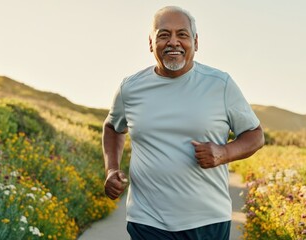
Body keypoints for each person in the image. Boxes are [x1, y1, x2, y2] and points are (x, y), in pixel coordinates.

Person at [102, 6, 264, 240]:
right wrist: (111, 169)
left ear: (196, 42)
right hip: (147, 220)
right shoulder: (130, 88)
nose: (173, 42)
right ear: (151, 43)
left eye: (182, 34)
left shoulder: (220, 84)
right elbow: (112, 127)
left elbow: (255, 135)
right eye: (164, 35)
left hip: (208, 221)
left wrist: (224, 152)